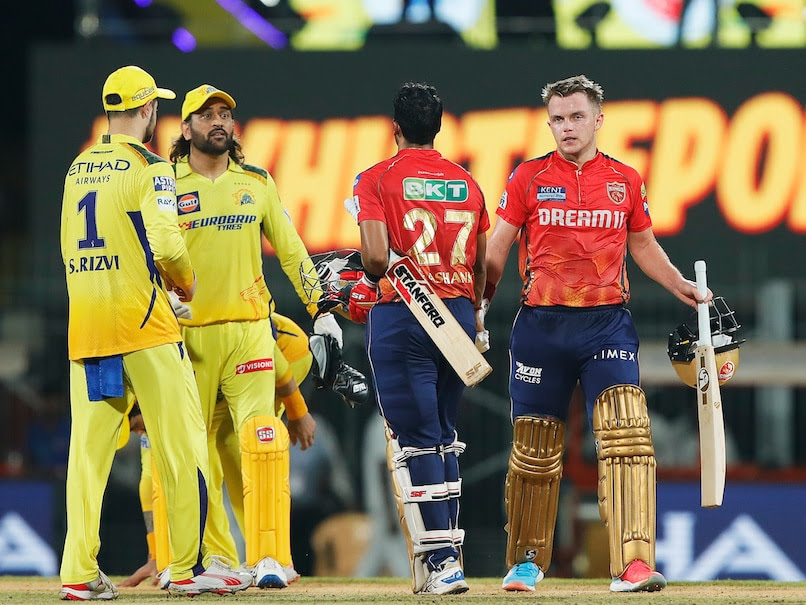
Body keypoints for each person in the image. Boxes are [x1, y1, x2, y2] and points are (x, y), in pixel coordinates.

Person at [482, 74, 712, 593]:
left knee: (628, 435)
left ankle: (632, 565)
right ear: (549, 124)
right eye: (558, 119)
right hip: (541, 326)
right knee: (534, 450)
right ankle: (526, 563)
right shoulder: (528, 178)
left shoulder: (625, 180)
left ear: (598, 120)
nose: (567, 127)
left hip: (606, 323)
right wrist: (477, 309)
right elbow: (497, 249)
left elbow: (644, 246)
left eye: (576, 117)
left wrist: (679, 285)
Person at [58, 65, 250, 600]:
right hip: (146, 327)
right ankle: (187, 570)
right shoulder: (150, 168)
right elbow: (167, 247)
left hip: (90, 328)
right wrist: (183, 287)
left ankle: (78, 573)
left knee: (88, 458)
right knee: (181, 447)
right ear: (148, 112)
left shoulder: (77, 168)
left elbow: (70, 248)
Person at [167, 84, 343, 589]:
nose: (218, 121)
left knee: (263, 442)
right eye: (206, 115)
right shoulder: (163, 185)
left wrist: (323, 310)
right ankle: (218, 559)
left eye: (225, 114)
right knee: (193, 453)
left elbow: (291, 251)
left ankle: (268, 556)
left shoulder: (257, 182)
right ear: (186, 129)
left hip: (249, 332)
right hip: (188, 338)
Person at [347, 82, 489, 595]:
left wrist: (361, 284)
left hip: (404, 314)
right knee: (444, 435)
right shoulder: (467, 184)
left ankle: (444, 561)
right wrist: (473, 317)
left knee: (417, 440)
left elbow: (375, 259)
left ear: (396, 128)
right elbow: (480, 267)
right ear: (439, 127)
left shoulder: (376, 179)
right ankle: (447, 556)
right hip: (455, 314)